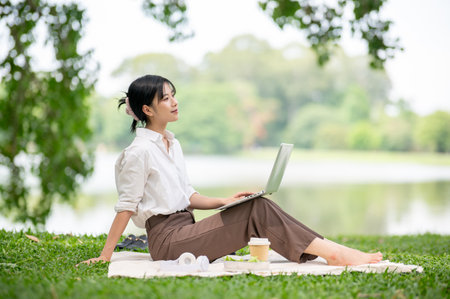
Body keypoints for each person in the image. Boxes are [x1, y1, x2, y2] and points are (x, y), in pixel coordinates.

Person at [79, 74, 382, 267]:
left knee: (256, 204)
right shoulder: (139, 152)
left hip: (186, 228)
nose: (174, 102)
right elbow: (126, 206)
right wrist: (106, 255)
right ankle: (335, 254)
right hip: (168, 241)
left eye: (174, 94)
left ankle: (330, 251)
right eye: (166, 98)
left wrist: (225, 201)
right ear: (147, 109)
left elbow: (187, 194)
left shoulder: (172, 143)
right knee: (258, 211)